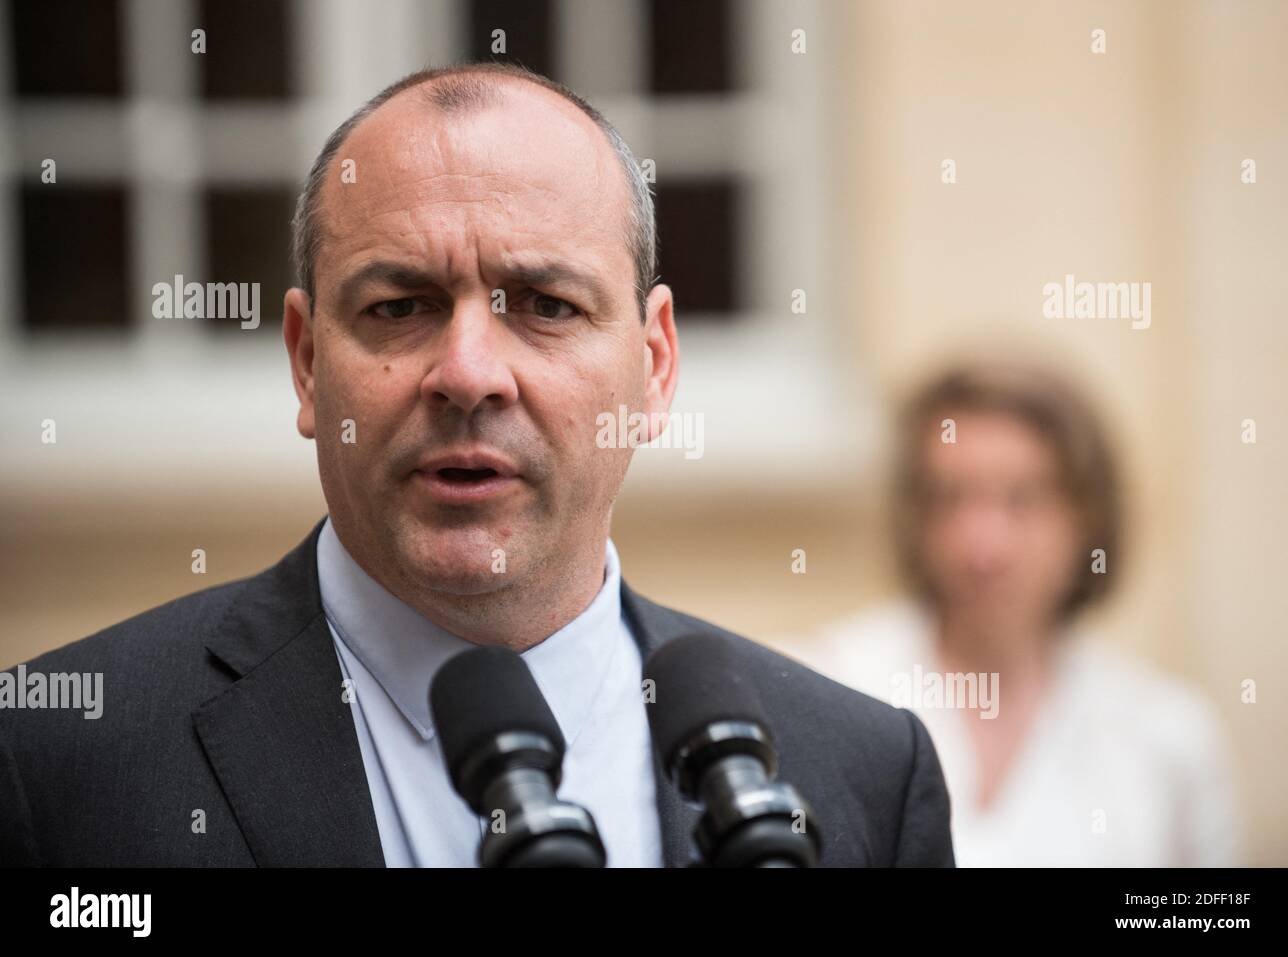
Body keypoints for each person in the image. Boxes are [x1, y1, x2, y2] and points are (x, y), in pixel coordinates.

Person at [0, 63, 954, 868]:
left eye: (543, 303)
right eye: (399, 306)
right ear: (305, 360)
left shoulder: (864, 769)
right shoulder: (57, 759)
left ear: (655, 366)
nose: (466, 374)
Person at [787, 360, 1242, 866]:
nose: (983, 544)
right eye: (951, 498)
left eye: (1022, 499)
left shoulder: (1164, 736)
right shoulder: (829, 687)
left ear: (1086, 517)